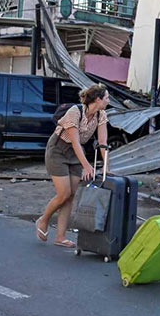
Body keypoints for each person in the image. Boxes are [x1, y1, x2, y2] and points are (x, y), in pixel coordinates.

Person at [36, 84, 110, 248]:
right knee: (64, 193)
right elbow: (75, 141)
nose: (108, 101)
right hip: (58, 150)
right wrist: (87, 166)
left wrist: (106, 167)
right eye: (106, 98)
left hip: (76, 153)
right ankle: (44, 219)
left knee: (71, 195)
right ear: (98, 99)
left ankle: (60, 237)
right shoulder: (75, 112)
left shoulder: (101, 114)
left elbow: (103, 142)